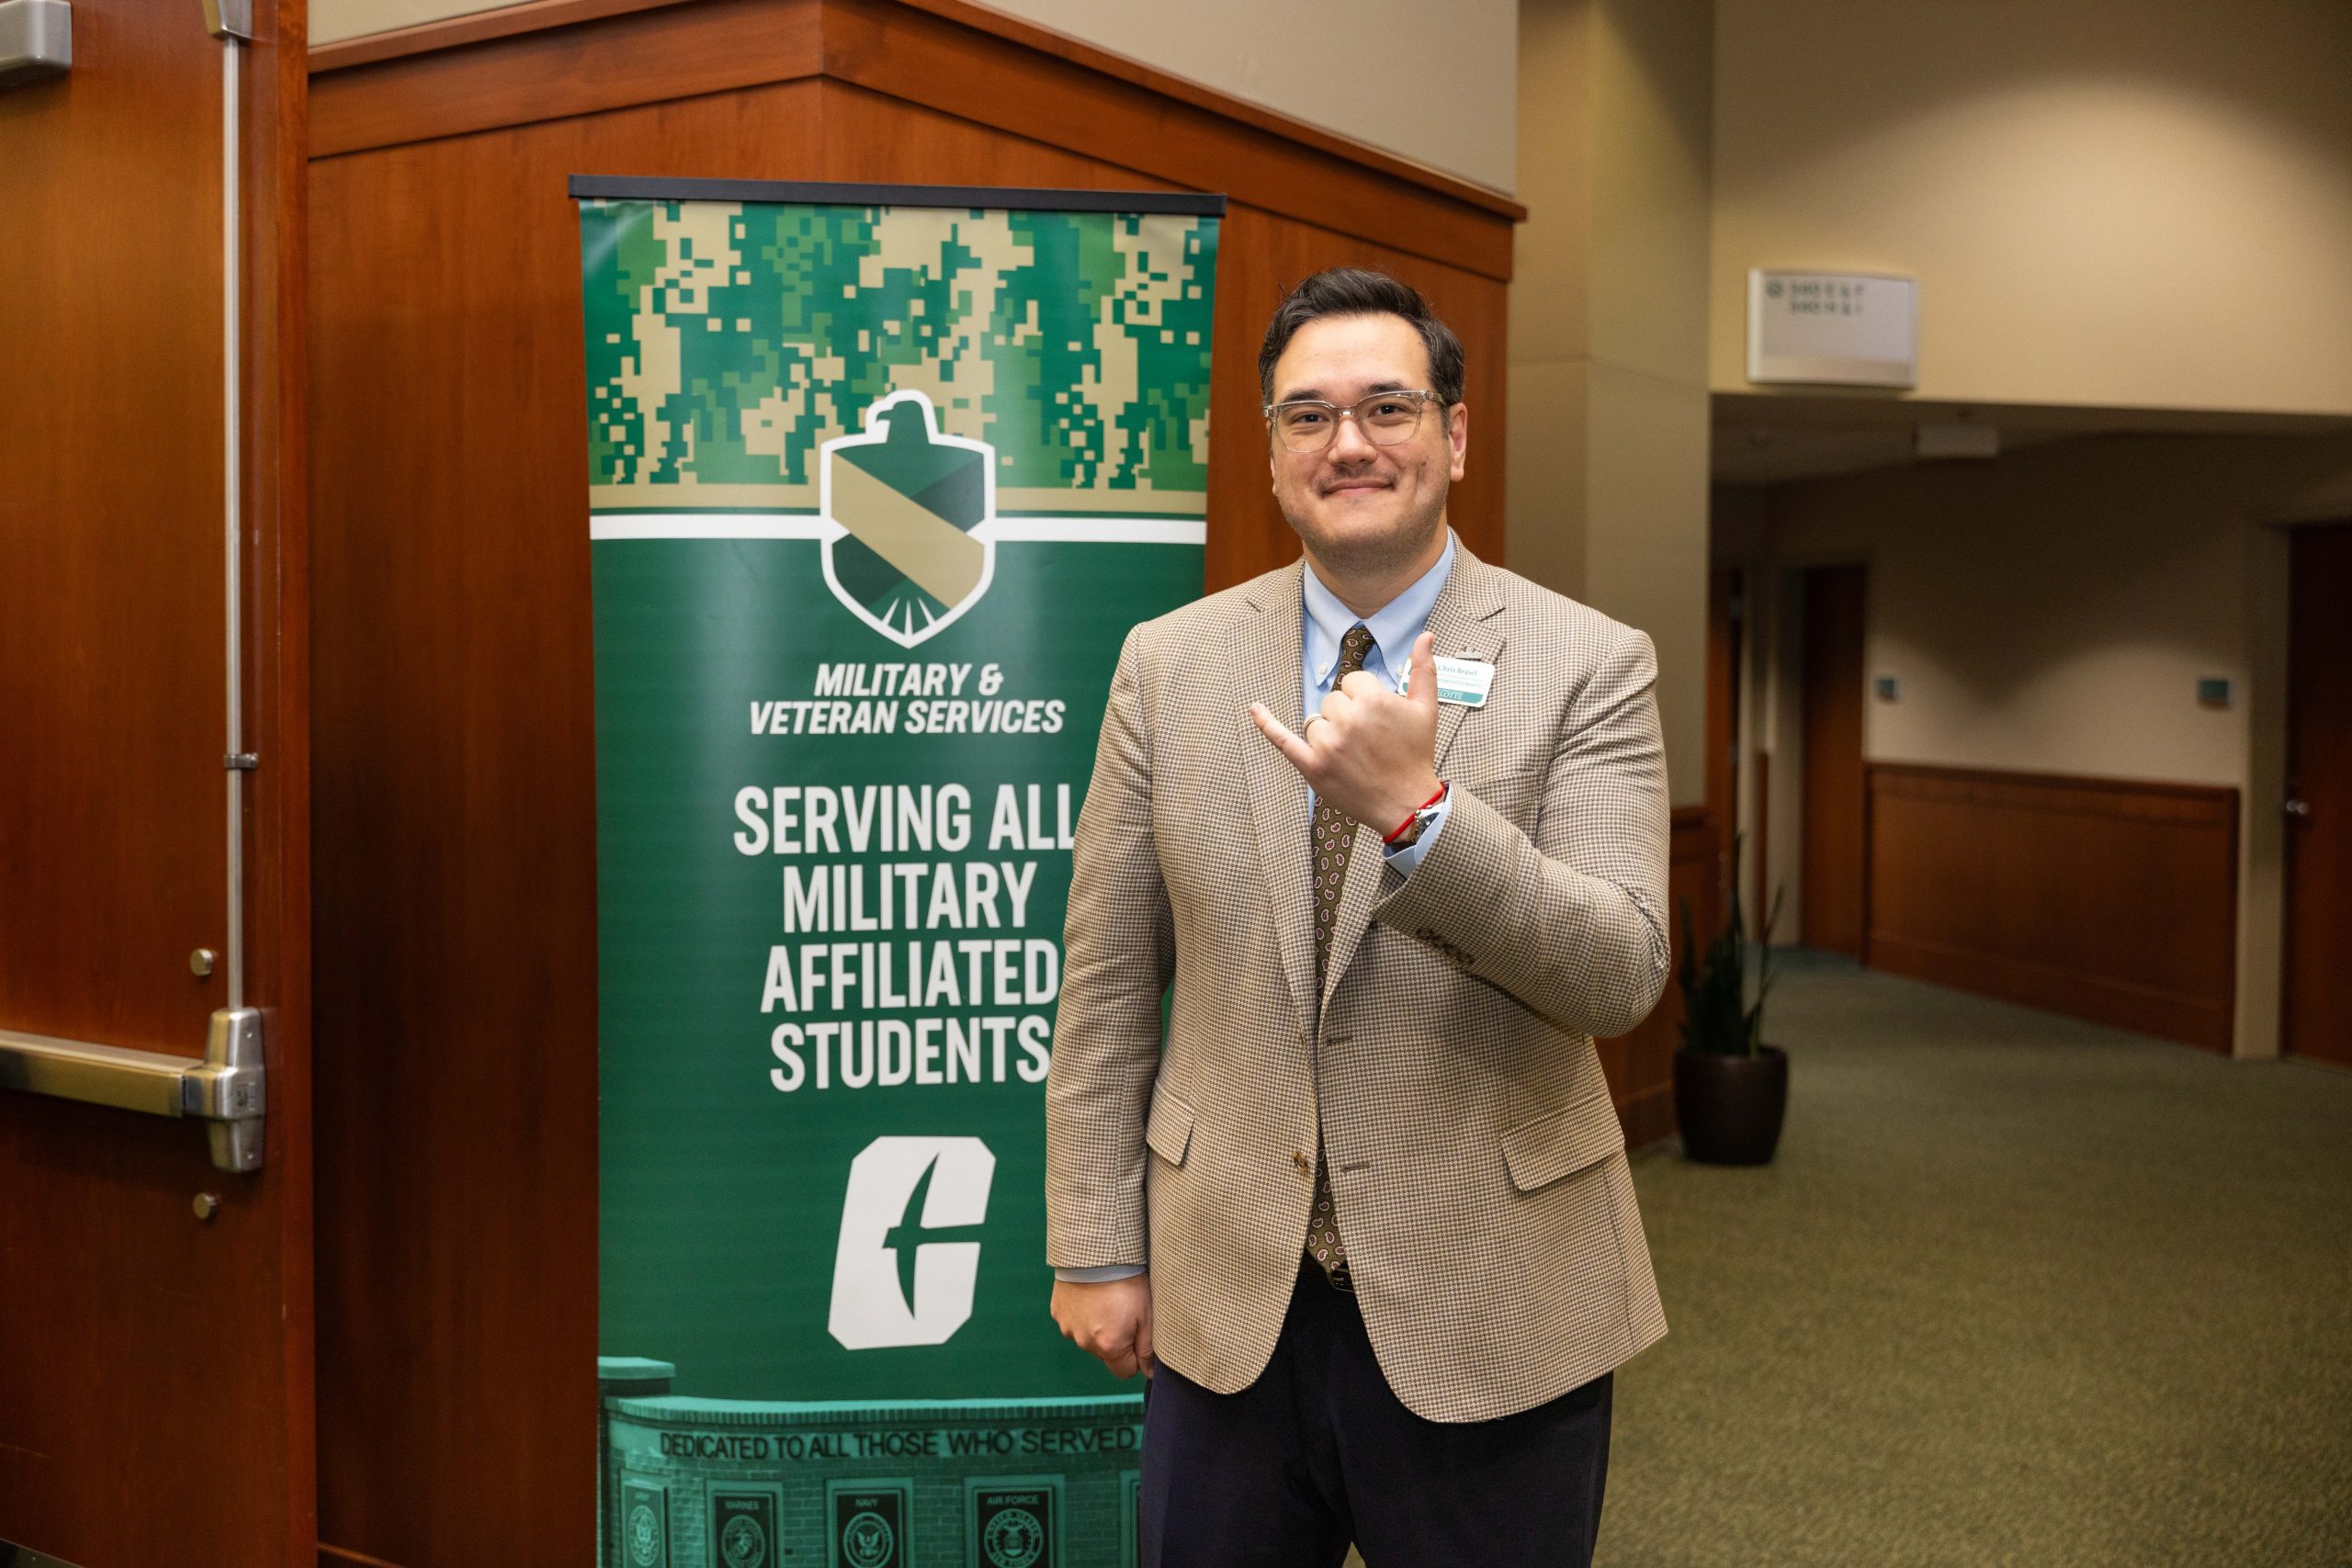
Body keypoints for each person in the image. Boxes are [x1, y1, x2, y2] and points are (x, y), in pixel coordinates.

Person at [1044, 265, 1671, 1567]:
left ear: (1454, 434)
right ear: (1273, 450)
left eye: (1388, 407)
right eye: (1309, 415)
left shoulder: (1589, 662)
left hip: (1493, 1306)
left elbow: (1618, 973)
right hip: (1226, 1308)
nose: (1349, 444)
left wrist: (1419, 816)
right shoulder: (1169, 662)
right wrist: (1096, 1245)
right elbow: (1106, 983)